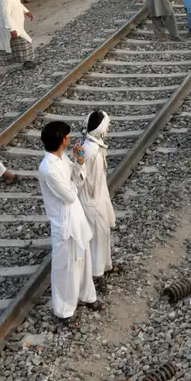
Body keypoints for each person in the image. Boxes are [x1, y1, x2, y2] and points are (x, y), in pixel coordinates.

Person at [39, 121, 101, 322]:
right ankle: (64, 311)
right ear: (61, 140)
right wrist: (76, 177)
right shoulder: (48, 169)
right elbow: (70, 195)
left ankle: (86, 296)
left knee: (83, 261)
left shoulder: (62, 158)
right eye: (67, 136)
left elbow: (76, 180)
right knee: (65, 268)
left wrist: (79, 163)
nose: (69, 139)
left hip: (76, 219)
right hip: (64, 223)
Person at [74, 111, 118, 287]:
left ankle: (105, 265)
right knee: (98, 235)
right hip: (92, 198)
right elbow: (83, 177)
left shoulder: (94, 145)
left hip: (99, 195)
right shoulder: (90, 150)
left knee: (104, 231)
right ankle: (96, 273)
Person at [0, 0, 36, 66]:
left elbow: (18, 4)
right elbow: (5, 15)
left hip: (15, 25)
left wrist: (26, 11)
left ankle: (27, 61)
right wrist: (11, 29)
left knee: (22, 44)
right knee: (2, 48)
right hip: (6, 26)